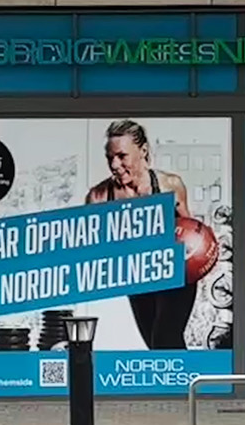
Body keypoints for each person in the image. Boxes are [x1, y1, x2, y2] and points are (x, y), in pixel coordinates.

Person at [84, 119, 199, 350]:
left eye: (122, 156)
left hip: (176, 277)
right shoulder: (98, 197)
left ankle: (193, 376)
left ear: (143, 151)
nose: (115, 165)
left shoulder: (169, 185)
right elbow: (91, 248)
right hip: (139, 280)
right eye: (110, 158)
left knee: (165, 339)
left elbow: (192, 233)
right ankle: (188, 375)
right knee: (155, 346)